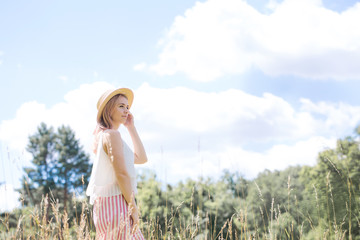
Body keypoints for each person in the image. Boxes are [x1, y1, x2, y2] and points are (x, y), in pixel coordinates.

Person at [86, 87, 147, 239]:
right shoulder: (112, 135)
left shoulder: (108, 136)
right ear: (108, 109)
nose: (126, 110)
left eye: (127, 107)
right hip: (116, 203)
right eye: (121, 106)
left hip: (109, 204)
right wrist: (133, 207)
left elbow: (141, 158)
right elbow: (121, 173)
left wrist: (131, 127)